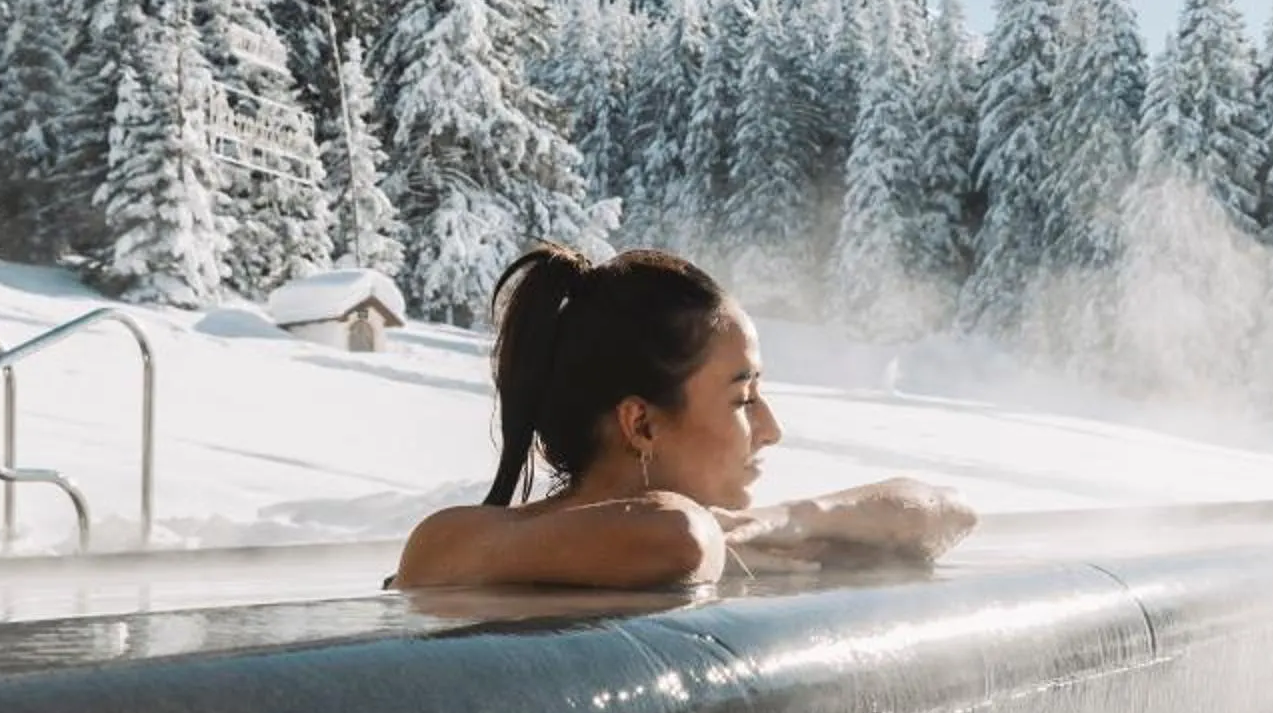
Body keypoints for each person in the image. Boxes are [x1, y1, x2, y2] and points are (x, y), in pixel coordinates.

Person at [389, 244, 975, 590]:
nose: (772, 429)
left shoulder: (722, 534)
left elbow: (950, 512)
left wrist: (790, 519)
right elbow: (679, 539)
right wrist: (723, 541)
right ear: (641, 424)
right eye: (743, 399)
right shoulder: (454, 542)